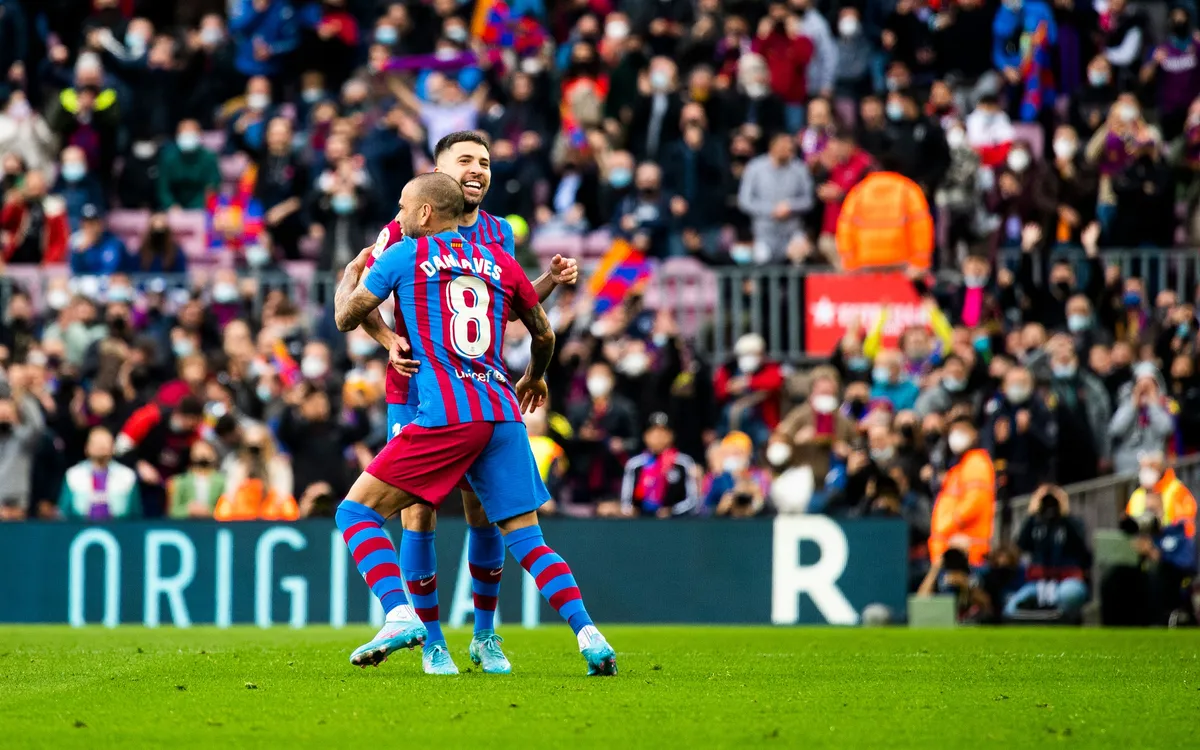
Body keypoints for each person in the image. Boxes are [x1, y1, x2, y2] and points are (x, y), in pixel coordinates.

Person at [333, 173, 615, 676]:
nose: (399, 215)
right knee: (528, 540)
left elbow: (345, 317)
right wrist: (534, 376)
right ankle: (590, 637)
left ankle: (399, 614)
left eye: (403, 206)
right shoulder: (498, 261)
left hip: (445, 415)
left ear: (424, 213)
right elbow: (544, 333)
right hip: (503, 412)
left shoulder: (404, 255)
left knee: (355, 513)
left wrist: (351, 273)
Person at [1004, 484, 1092, 622]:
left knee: (1069, 594)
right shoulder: (1034, 524)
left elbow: (1085, 554)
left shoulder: (1073, 523)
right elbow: (1019, 547)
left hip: (1067, 581)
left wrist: (1064, 515)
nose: (1049, 506)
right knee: (1011, 608)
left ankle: (1063, 619)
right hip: (1038, 584)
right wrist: (1033, 515)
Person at [928, 416, 995, 567]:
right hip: (951, 554)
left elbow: (975, 503)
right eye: (954, 430)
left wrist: (947, 526)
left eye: (962, 430)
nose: (956, 435)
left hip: (967, 554)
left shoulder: (976, 463)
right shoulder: (960, 467)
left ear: (975, 434)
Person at [617, 412, 700, 518]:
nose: (658, 436)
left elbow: (693, 499)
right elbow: (625, 501)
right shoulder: (634, 464)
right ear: (646, 436)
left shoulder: (683, 462)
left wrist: (672, 511)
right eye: (654, 432)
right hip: (640, 521)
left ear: (671, 436)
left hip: (676, 521)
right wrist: (631, 511)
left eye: (663, 432)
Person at [59, 427, 140, 521]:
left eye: (105, 442)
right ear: (87, 448)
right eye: (96, 442)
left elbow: (136, 514)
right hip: (80, 527)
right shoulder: (73, 475)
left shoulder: (127, 476)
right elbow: (64, 513)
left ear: (113, 447)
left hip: (119, 527)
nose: (101, 446)